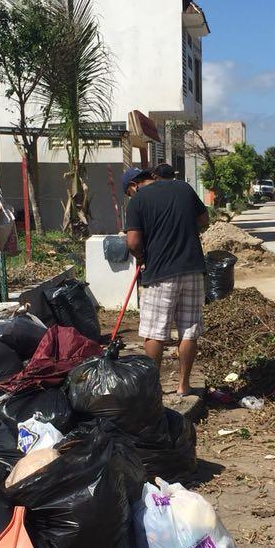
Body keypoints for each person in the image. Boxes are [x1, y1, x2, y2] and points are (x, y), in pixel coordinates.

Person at [124, 166, 210, 395]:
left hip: (160, 274)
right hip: (193, 269)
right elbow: (204, 220)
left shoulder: (138, 200)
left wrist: (141, 256)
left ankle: (155, 389)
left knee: (155, 332)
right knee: (189, 330)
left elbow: (132, 242)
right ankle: (184, 386)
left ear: (133, 186)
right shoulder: (184, 188)